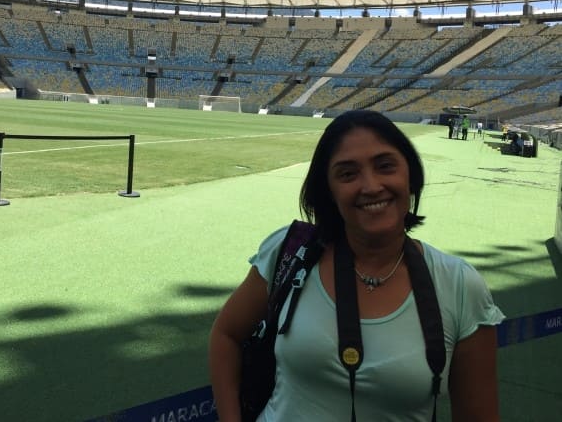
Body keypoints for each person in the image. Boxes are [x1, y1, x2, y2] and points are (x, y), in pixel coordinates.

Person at [209, 110, 504, 421]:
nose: (371, 186)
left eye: (385, 166)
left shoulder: (459, 285)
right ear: (329, 192)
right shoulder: (290, 252)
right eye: (348, 174)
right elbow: (226, 335)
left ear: (410, 176)